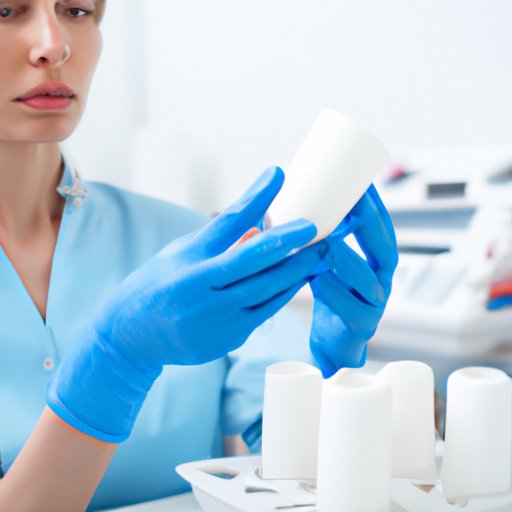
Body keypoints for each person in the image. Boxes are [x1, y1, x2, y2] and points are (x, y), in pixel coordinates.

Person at [0, 1, 398, 511]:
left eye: (76, 10)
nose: (55, 45)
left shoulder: (187, 243)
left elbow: (294, 474)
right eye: (6, 10)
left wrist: (334, 368)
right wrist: (113, 364)